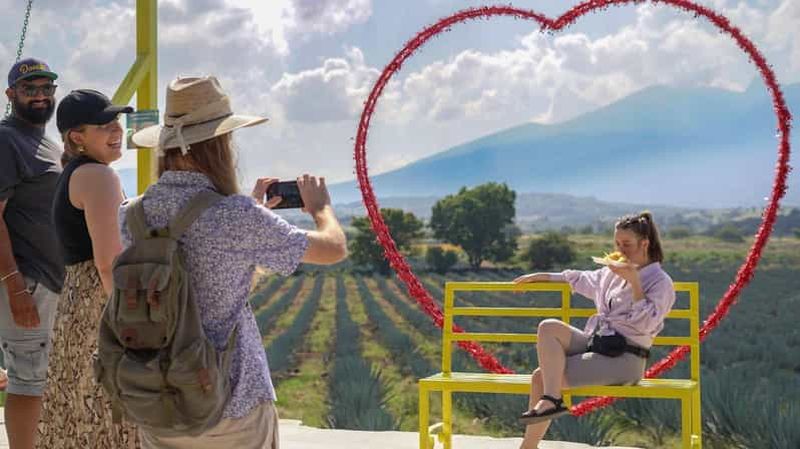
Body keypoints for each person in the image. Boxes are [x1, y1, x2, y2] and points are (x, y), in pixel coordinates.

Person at [124, 75, 347, 449]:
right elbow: (333, 249)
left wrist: (250, 211)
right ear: (220, 144)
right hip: (229, 402)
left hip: (156, 402)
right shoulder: (235, 216)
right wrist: (322, 210)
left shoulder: (130, 213)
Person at [512, 211, 675, 449]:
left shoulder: (660, 282)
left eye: (626, 244)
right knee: (548, 328)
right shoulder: (611, 274)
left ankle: (534, 433)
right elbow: (581, 278)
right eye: (617, 243)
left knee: (541, 377)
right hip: (600, 343)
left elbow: (645, 324)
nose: (620, 249)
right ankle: (550, 404)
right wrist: (541, 276)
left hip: (626, 358)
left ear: (645, 243)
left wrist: (634, 282)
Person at [38, 89, 139, 448]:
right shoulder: (99, 176)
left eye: (117, 122)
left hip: (78, 303)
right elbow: (109, 261)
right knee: (109, 417)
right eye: (105, 125)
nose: (117, 130)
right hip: (101, 303)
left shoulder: (75, 174)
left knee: (77, 413)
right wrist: (132, 321)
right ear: (77, 137)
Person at [0, 58, 64, 449]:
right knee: (28, 381)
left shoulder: (46, 141)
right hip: (28, 280)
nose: (40, 96)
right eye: (30, 89)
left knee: (45, 380)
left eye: (46, 89)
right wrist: (15, 286)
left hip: (52, 281)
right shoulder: (6, 139)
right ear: (11, 95)